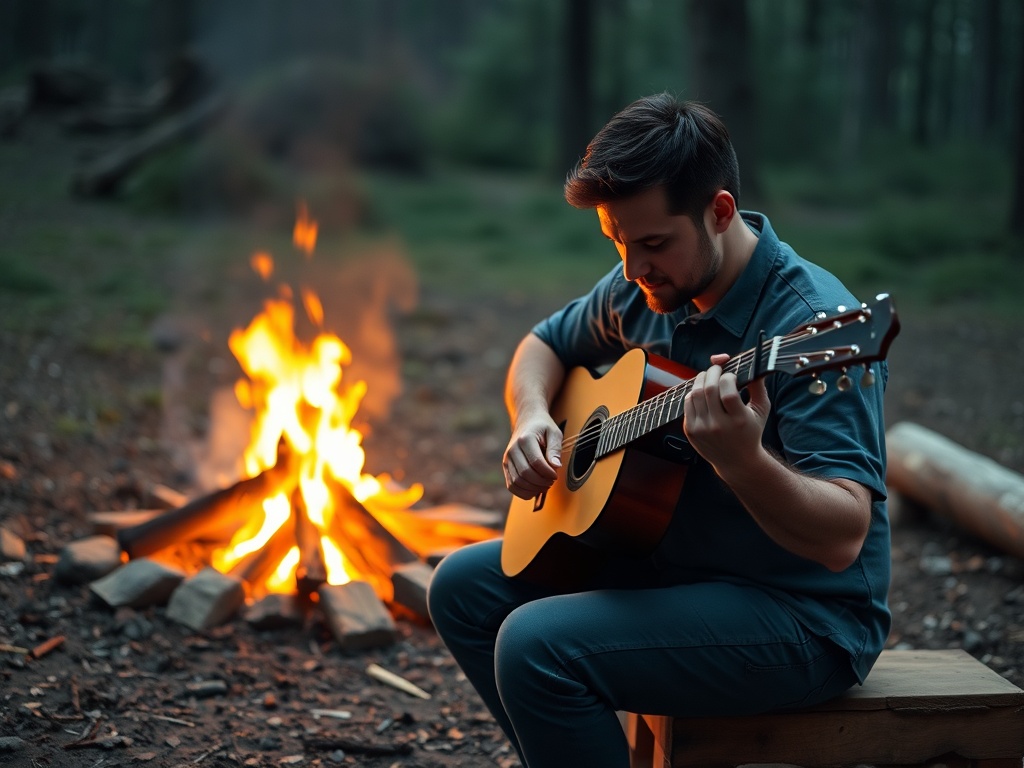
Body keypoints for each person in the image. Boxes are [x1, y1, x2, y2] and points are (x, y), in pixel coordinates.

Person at [427, 93, 890, 768]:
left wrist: (744, 461)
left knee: (536, 645)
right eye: (616, 243)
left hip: (803, 616)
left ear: (720, 212)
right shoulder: (645, 288)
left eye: (651, 243)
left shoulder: (814, 325)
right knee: (463, 589)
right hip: (675, 570)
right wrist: (530, 417)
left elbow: (844, 537)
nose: (631, 270)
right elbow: (543, 345)